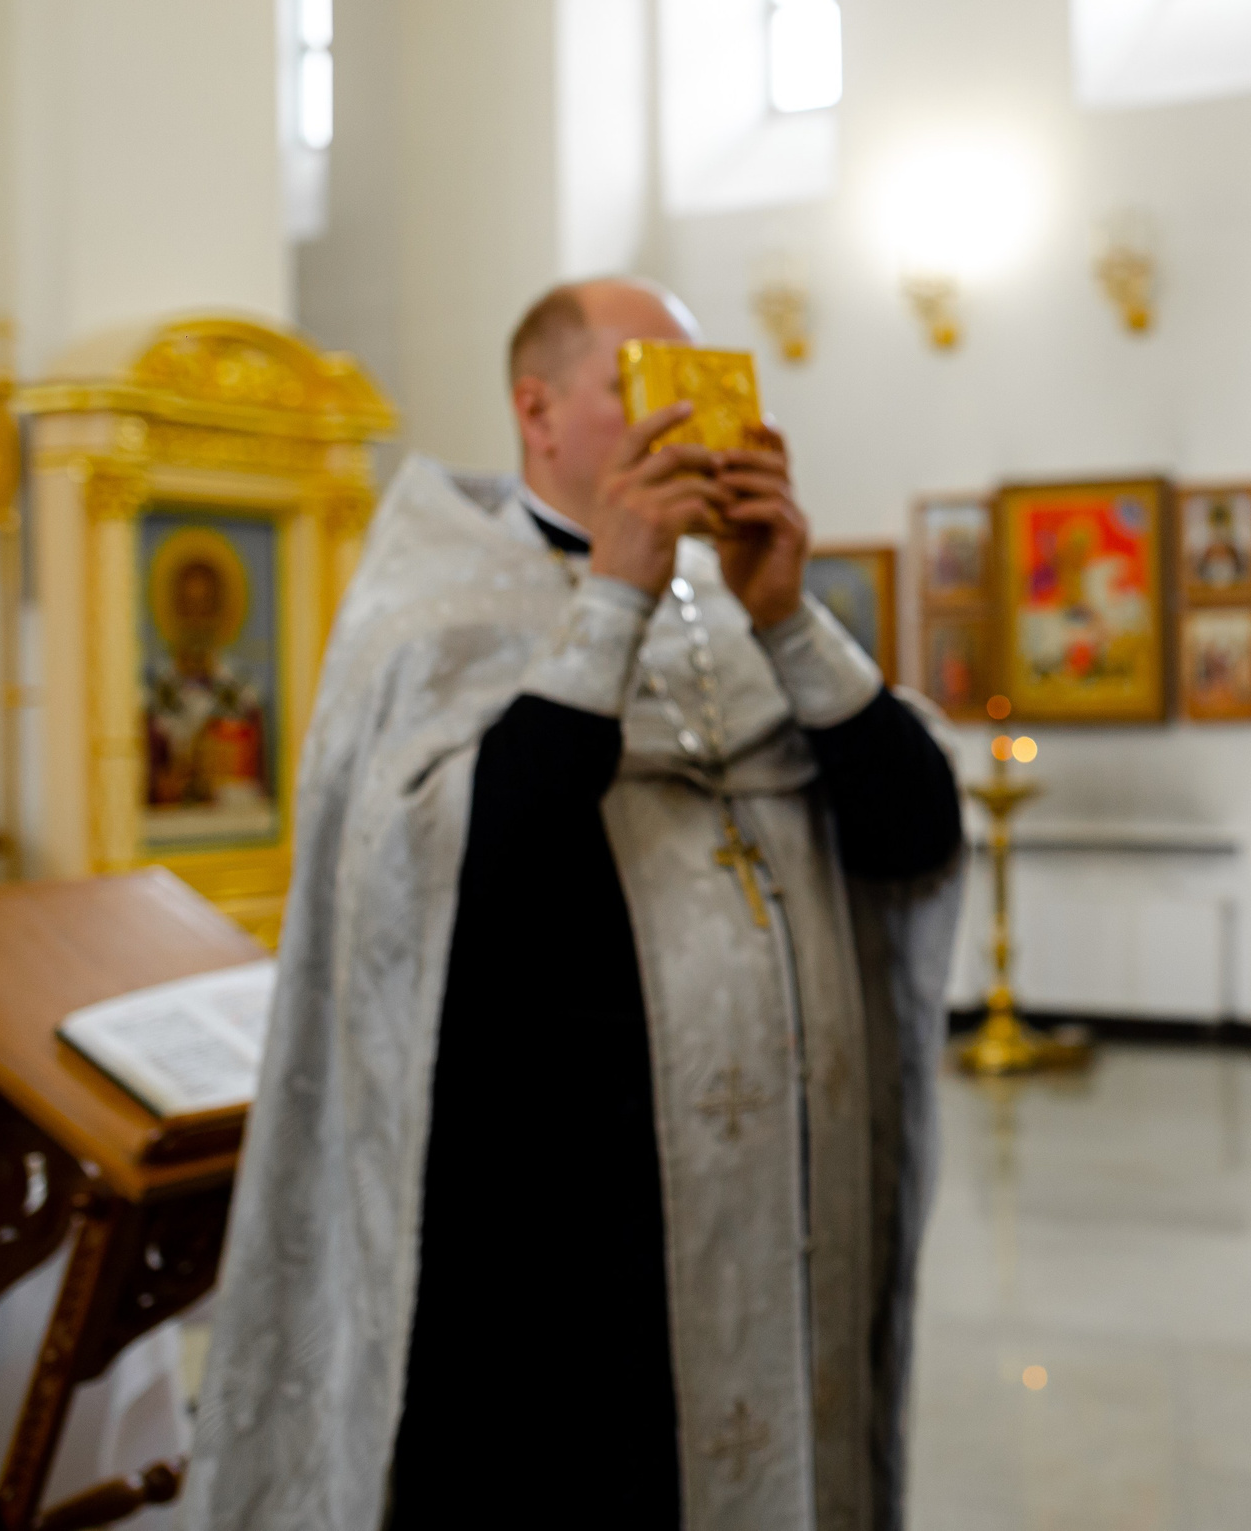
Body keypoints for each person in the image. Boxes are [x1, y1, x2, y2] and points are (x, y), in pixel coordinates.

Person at [187, 279, 966, 1531]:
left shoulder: (743, 617)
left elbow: (912, 830)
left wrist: (783, 612)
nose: (695, 420)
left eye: (710, 385)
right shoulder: (431, 607)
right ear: (536, 411)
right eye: (643, 384)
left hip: (775, 1207)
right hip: (549, 1217)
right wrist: (613, 599)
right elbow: (469, 882)